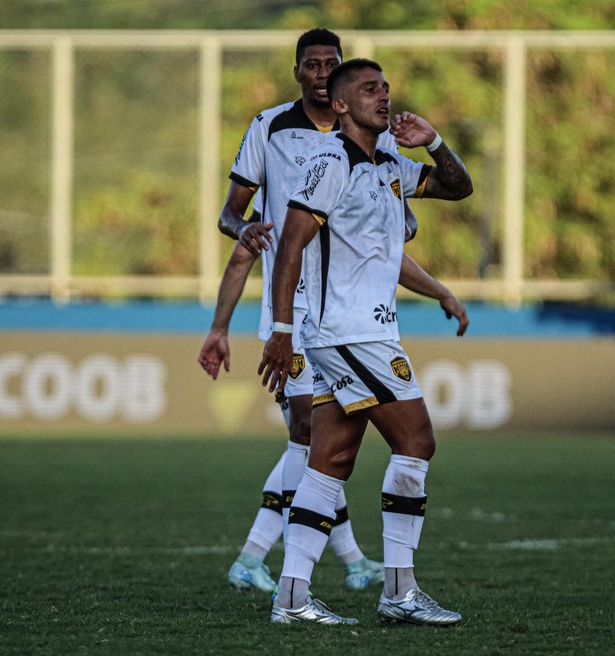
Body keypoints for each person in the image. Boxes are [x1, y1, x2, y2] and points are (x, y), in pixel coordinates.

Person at [198, 29, 469, 595]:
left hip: (340, 320)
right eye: (314, 66)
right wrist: (264, 327)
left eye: (334, 65)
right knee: (398, 441)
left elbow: (433, 207)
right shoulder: (288, 138)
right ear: (301, 73)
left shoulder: (386, 156)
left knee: (327, 450)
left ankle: (303, 583)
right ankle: (382, 584)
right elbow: (266, 237)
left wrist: (435, 142)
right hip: (322, 320)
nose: (322, 73)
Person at [258, 58, 473, 626]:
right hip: (354, 334)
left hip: (356, 334)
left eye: (386, 88)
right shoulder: (332, 162)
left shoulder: (389, 167)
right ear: (341, 104)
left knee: (331, 460)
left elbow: (457, 187)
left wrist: (435, 142)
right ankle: (399, 592)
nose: (383, 97)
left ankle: (292, 598)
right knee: (418, 440)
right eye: (368, 89)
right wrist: (282, 330)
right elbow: (290, 246)